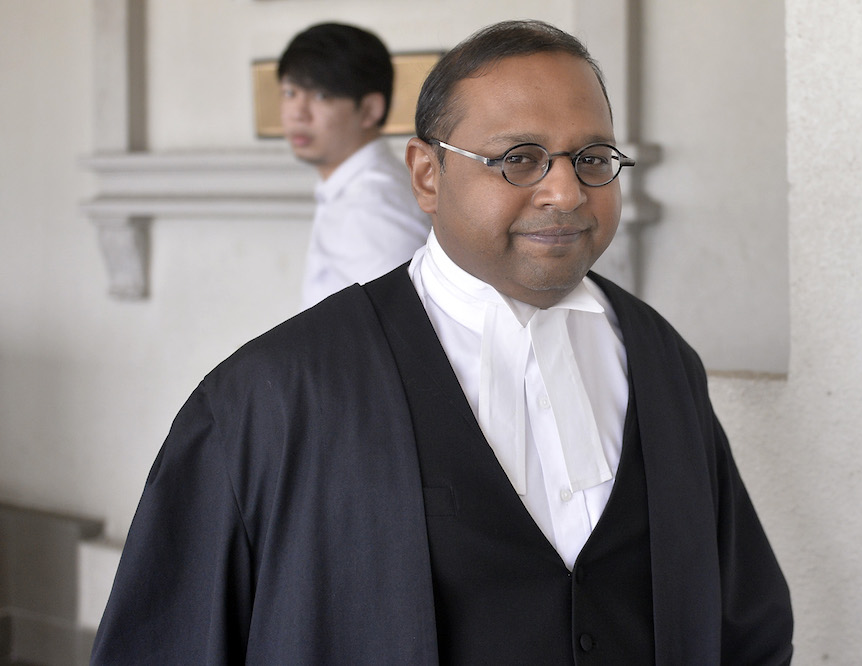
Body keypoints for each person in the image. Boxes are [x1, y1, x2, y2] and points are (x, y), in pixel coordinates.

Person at [92, 20, 793, 664]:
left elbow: (744, 621)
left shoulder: (661, 359)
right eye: (519, 158)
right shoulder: (267, 399)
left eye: (592, 157)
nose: (566, 192)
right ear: (428, 175)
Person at [278, 22, 431, 309]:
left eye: (322, 96)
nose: (298, 113)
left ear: (370, 109)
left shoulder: (372, 203)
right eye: (290, 92)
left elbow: (395, 332)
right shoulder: (355, 189)